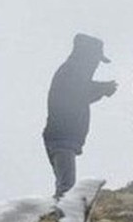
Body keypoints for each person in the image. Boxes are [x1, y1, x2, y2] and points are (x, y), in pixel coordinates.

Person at [43, 33, 117, 199]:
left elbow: (79, 94)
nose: (97, 64)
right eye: (96, 59)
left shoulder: (72, 71)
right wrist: (102, 89)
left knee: (65, 187)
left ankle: (60, 220)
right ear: (87, 56)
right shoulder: (72, 71)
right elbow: (78, 92)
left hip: (61, 139)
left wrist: (101, 90)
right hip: (61, 139)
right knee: (67, 190)